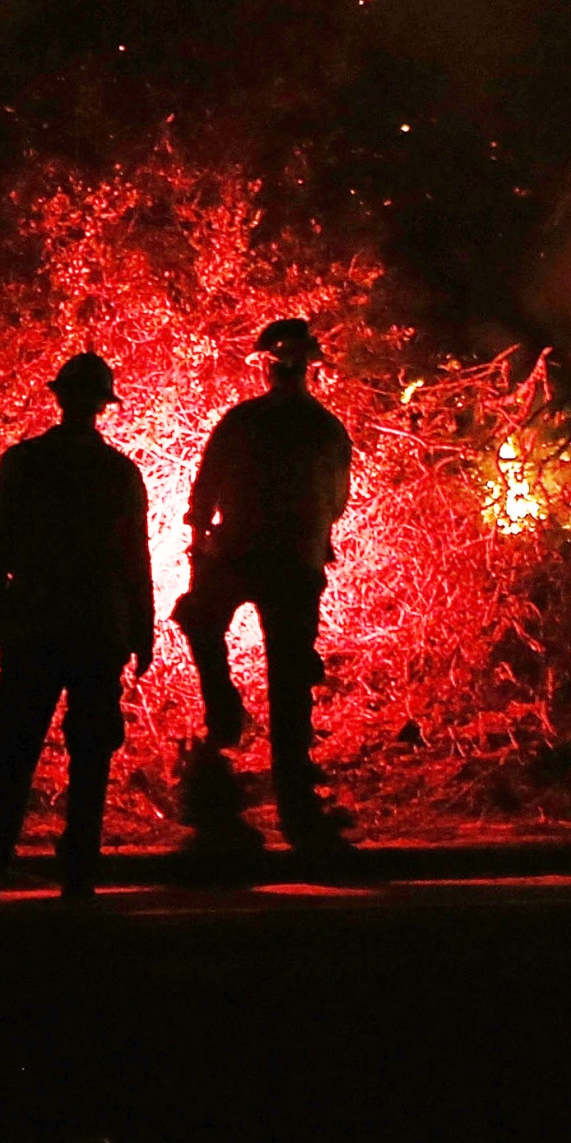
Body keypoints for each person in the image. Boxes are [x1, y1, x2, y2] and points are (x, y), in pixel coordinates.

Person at [0, 349, 154, 902]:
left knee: (13, 746)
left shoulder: (24, 462)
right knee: (91, 750)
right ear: (102, 406)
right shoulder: (118, 472)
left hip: (35, 623)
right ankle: (79, 871)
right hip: (96, 626)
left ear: (62, 398)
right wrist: (141, 629)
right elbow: (133, 558)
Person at [173, 318, 351, 852]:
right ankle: (295, 812)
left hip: (248, 557)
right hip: (291, 564)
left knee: (202, 620)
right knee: (289, 688)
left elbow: (203, 495)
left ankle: (224, 725)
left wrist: (205, 543)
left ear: (268, 367)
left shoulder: (244, 421)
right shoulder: (324, 428)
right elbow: (336, 501)